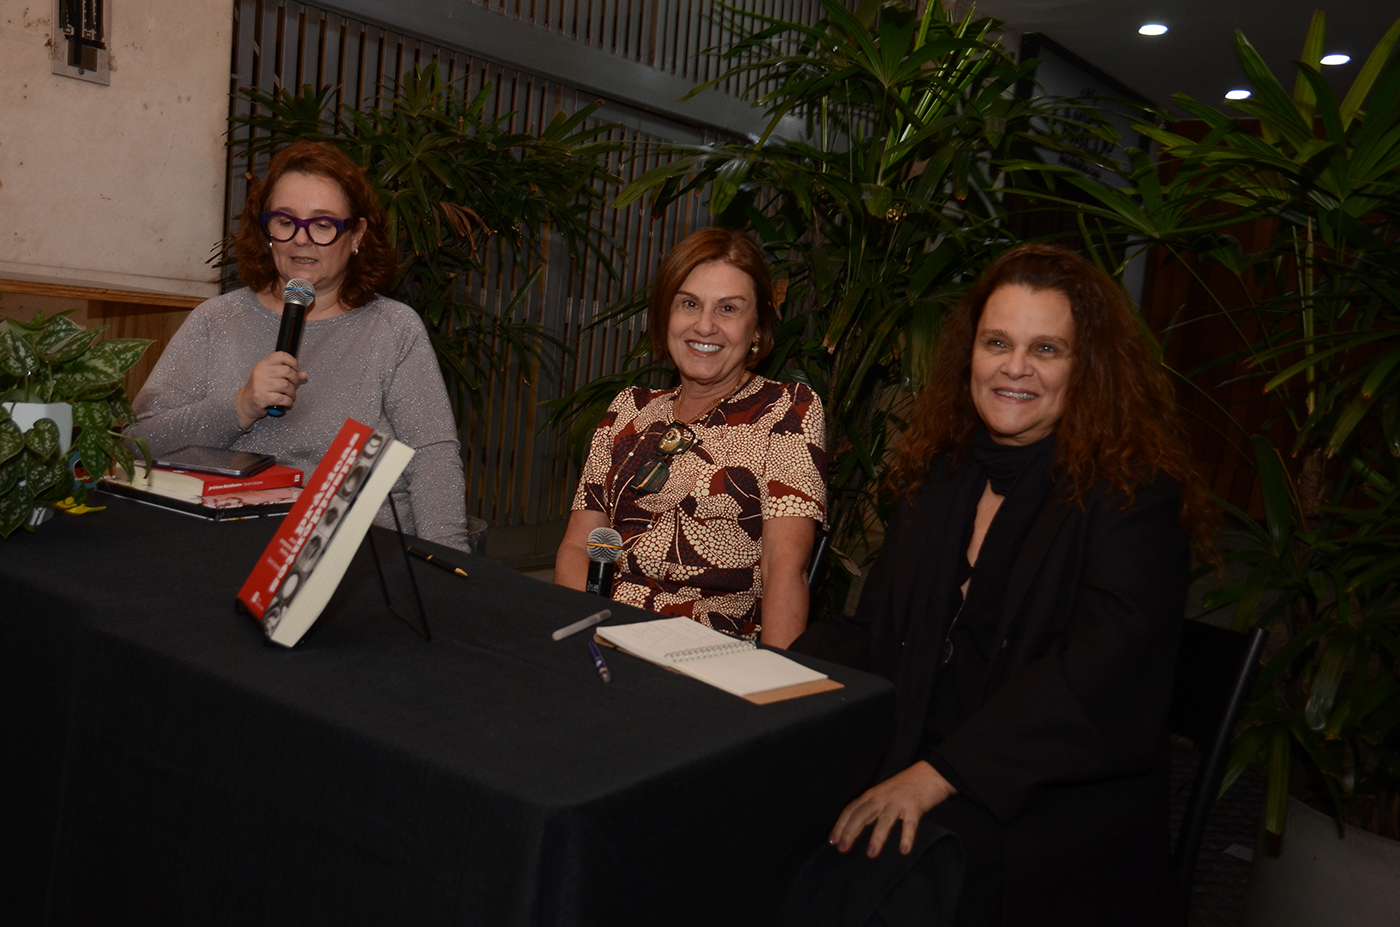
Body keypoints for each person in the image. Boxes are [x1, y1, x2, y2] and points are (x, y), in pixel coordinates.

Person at [812, 244, 1215, 925]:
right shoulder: (942, 474)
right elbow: (876, 631)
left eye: (1047, 349)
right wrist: (772, 685)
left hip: (1053, 798)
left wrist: (939, 775)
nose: (1015, 367)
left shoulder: (1134, 496)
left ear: (1087, 367)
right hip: (930, 749)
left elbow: (1095, 679)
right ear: (970, 352)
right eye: (997, 341)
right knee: (767, 802)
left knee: (893, 876)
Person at [128, 141, 471, 551]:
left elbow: (433, 459)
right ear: (265, 229)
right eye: (285, 221)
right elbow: (135, 445)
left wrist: (449, 574)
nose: (301, 240)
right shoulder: (215, 320)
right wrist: (238, 407)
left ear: (356, 234)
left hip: (355, 556)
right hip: (223, 548)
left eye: (323, 225)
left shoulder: (393, 328)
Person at [554, 228, 826, 648]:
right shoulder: (628, 410)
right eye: (689, 304)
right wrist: (580, 639)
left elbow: (783, 568)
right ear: (666, 315)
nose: (705, 325)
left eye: (728, 309)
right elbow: (580, 547)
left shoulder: (786, 410)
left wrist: (778, 686)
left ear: (757, 327)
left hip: (709, 656)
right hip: (604, 638)